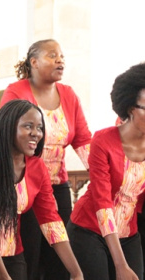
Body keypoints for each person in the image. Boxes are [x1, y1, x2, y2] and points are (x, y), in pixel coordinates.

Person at [0, 99, 83, 280]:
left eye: (39, 128)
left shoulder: (37, 168)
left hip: (13, 252)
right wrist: (2, 275)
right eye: (28, 126)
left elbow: (50, 220)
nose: (36, 134)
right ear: (8, 127)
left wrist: (76, 272)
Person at [0, 39, 92, 280]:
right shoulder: (16, 92)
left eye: (61, 56)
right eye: (52, 56)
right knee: (30, 253)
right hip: (23, 186)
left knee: (59, 254)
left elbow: (82, 139)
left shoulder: (69, 95)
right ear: (34, 62)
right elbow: (9, 138)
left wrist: (102, 174)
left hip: (57, 185)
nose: (60, 60)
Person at [67, 63, 145, 280]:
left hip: (129, 233)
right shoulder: (103, 140)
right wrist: (120, 264)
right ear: (131, 107)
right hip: (89, 230)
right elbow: (103, 203)